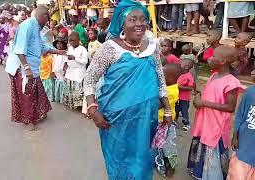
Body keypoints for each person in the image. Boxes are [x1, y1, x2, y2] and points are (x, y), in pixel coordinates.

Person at [83, 0, 172, 178]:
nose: (139, 23)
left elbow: (160, 79)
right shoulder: (109, 49)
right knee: (119, 159)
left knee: (143, 159)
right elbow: (90, 78)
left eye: (143, 19)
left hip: (147, 116)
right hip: (116, 120)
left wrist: (168, 109)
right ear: (122, 23)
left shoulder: (152, 46)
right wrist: (93, 110)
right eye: (133, 19)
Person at [188, 45, 243, 180]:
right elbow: (209, 95)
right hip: (205, 121)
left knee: (213, 148)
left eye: (213, 56)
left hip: (216, 125)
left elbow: (230, 107)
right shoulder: (213, 76)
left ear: (223, 61)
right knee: (202, 143)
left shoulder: (231, 83)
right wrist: (199, 98)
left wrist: (204, 103)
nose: (209, 58)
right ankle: (199, 173)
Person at [12, 6, 65, 131]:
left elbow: (43, 46)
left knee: (37, 91)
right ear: (44, 16)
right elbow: (19, 50)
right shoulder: (27, 25)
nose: (47, 23)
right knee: (28, 93)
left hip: (34, 67)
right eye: (47, 20)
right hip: (24, 66)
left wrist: (59, 52)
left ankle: (38, 114)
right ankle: (29, 120)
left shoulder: (37, 27)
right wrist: (27, 68)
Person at [227, 83, 255, 180]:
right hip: (244, 145)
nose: (252, 72)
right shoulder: (249, 93)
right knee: (237, 173)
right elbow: (240, 115)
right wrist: (235, 136)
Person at [63, 32, 88, 109]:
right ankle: (71, 103)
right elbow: (66, 58)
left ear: (78, 40)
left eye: (73, 40)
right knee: (70, 88)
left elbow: (85, 61)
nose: (71, 42)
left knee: (77, 89)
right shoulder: (70, 48)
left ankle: (79, 106)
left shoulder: (83, 49)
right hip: (70, 71)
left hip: (79, 72)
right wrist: (65, 64)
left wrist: (75, 58)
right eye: (70, 41)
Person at [175, 59, 194, 131]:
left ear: (186, 67)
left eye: (181, 64)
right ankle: (174, 121)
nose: (179, 64)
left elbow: (190, 88)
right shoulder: (179, 73)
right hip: (177, 96)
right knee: (176, 109)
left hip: (184, 98)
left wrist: (180, 87)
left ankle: (186, 123)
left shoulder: (189, 77)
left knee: (184, 111)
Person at [52, 37, 68, 103]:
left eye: (60, 44)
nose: (59, 45)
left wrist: (65, 70)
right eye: (58, 43)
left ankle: (62, 100)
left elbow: (66, 63)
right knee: (57, 85)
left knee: (62, 86)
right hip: (57, 72)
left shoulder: (65, 54)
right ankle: (57, 98)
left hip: (62, 73)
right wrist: (53, 71)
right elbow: (53, 63)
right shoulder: (55, 54)